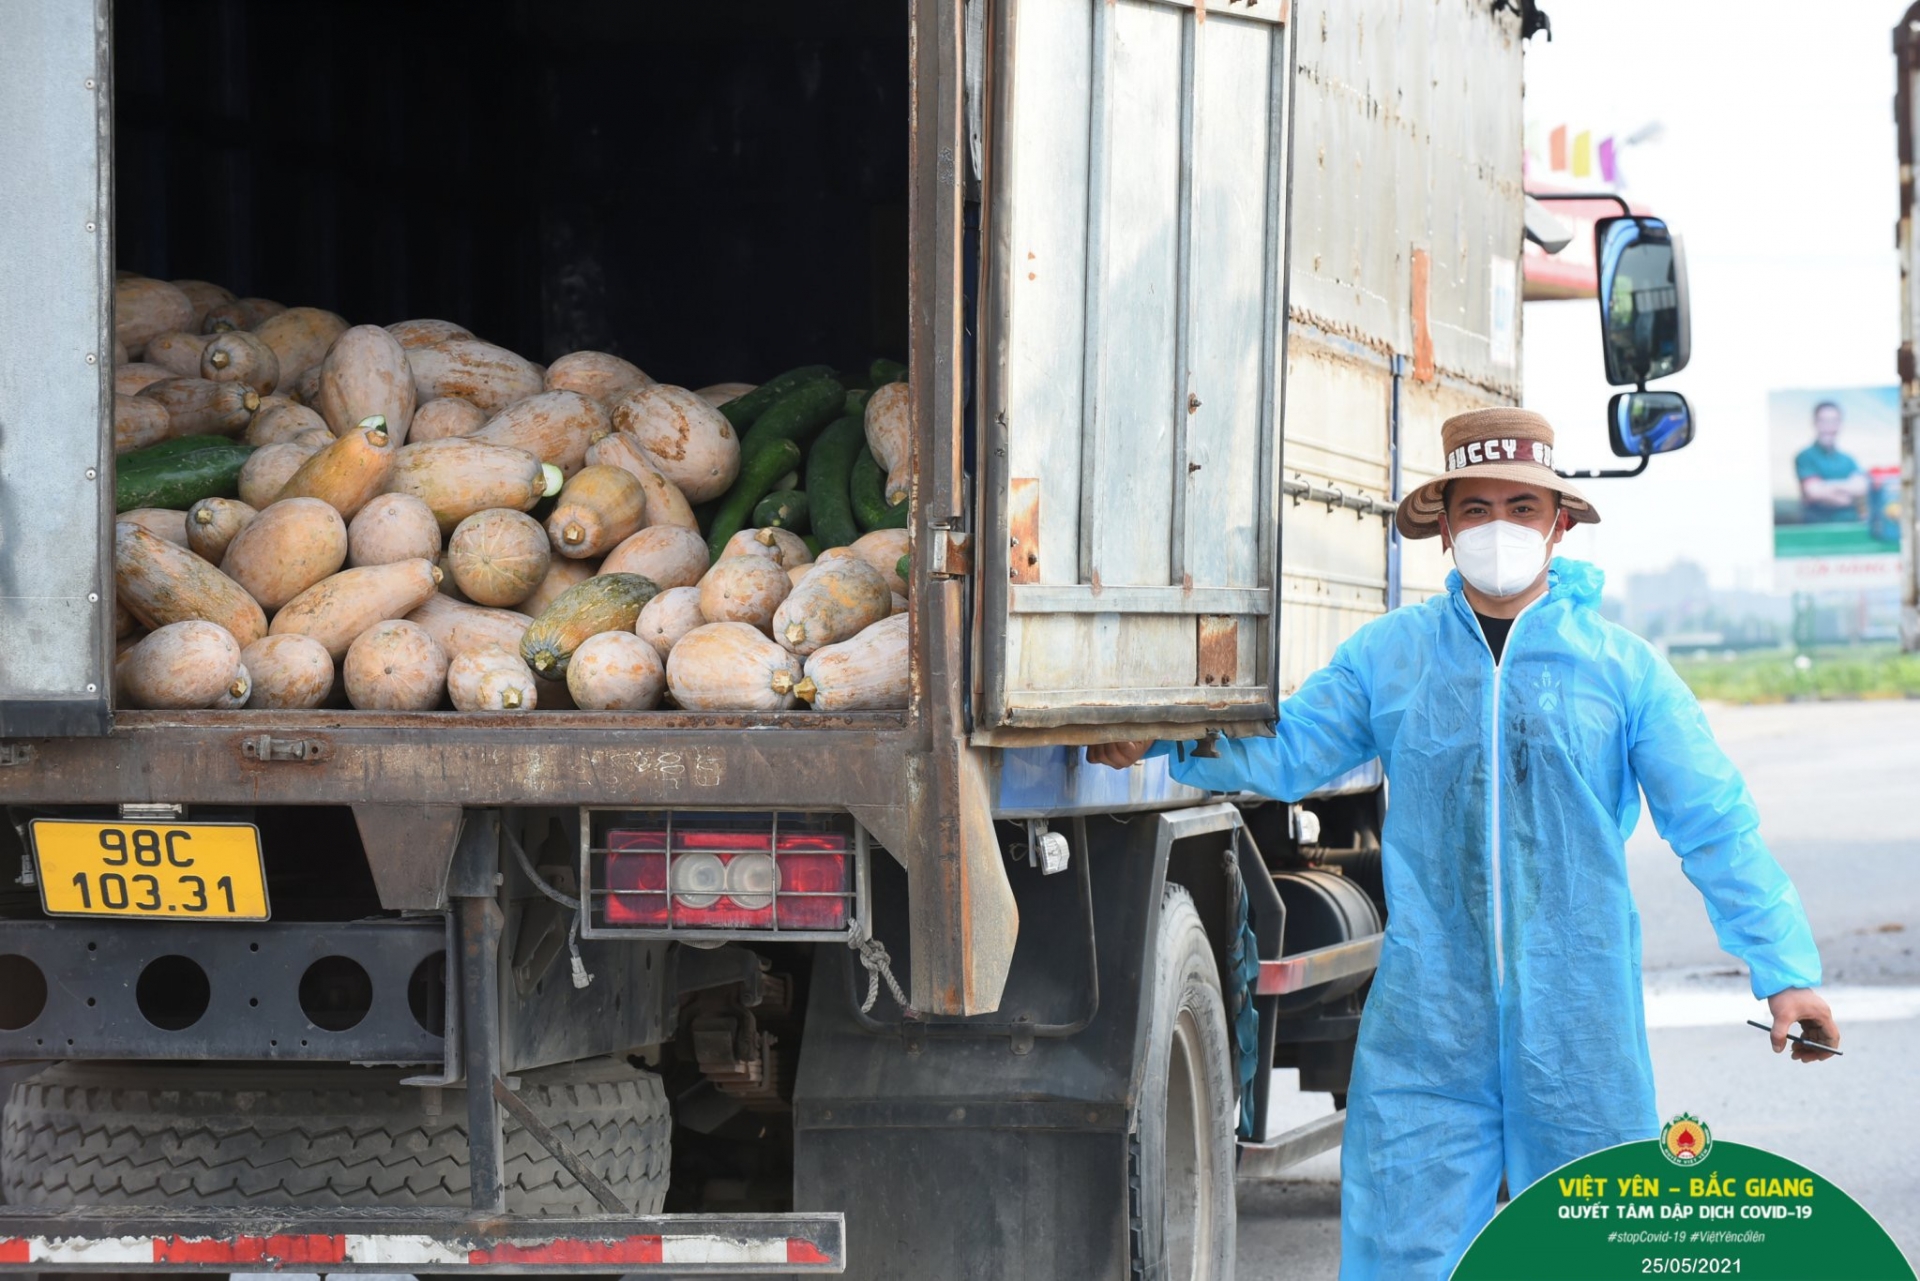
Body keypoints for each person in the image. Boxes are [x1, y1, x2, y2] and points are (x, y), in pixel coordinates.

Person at [1088, 407, 1840, 1281]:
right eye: (1476, 508)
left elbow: (1715, 823)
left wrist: (1784, 973)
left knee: (1597, 1257)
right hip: (1427, 1040)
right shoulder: (1392, 659)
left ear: (1559, 525)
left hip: (1582, 1039)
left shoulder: (1622, 671)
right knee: (1402, 1258)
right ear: (1444, 528)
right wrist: (1164, 736)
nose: (1499, 529)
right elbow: (1286, 748)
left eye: (1522, 508)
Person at [1795, 400, 1866, 523]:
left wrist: (1826, 487)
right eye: (1824, 421)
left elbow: (1861, 488)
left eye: (1834, 421)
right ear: (1815, 423)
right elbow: (1814, 491)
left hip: (1851, 526)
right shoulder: (1804, 457)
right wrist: (1848, 490)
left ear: (1840, 424)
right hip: (1817, 531)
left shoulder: (1848, 459)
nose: (1829, 427)